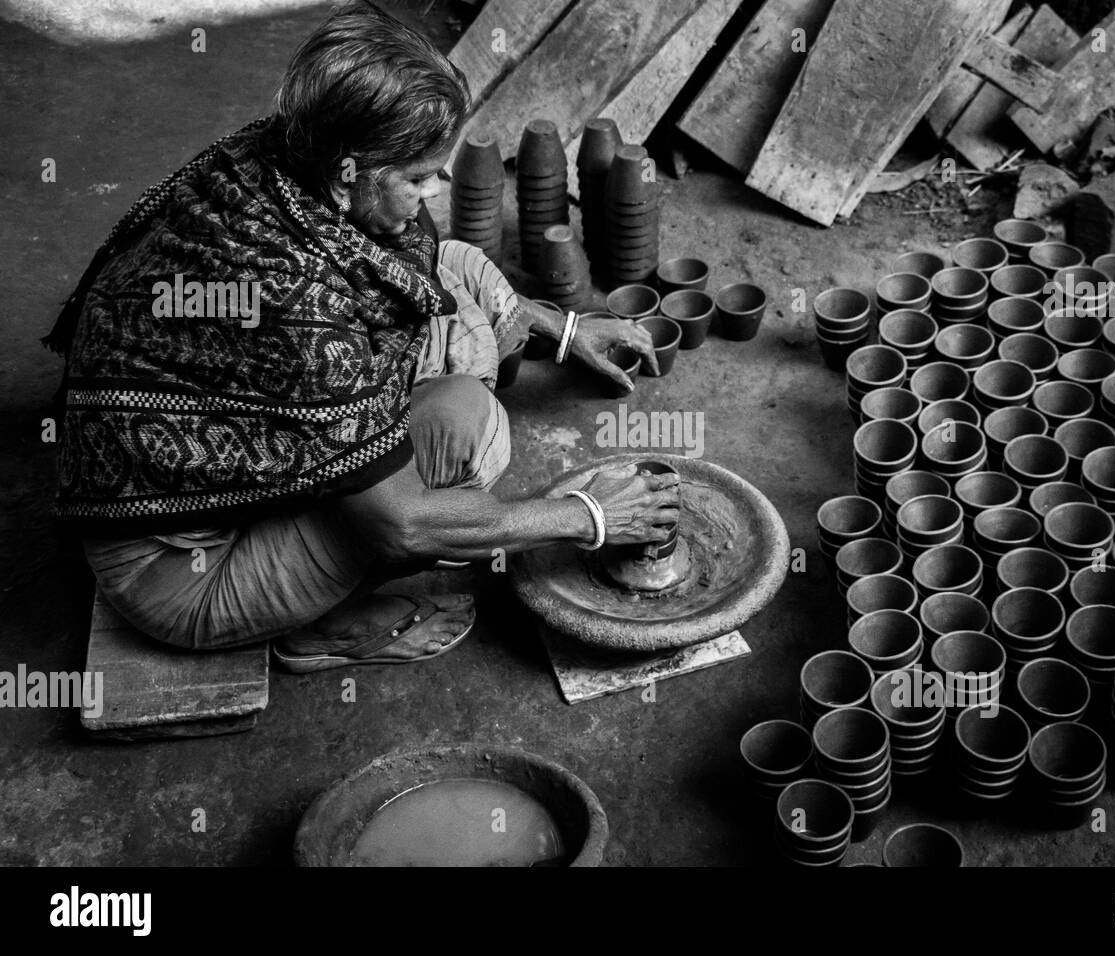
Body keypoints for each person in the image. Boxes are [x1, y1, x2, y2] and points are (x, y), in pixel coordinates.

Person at [42, 2, 678, 672]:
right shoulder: (296, 303)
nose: (436, 192)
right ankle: (320, 627)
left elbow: (423, 267)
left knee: (454, 270)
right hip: (180, 574)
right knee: (469, 425)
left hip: (173, 457)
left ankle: (328, 547)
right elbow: (402, 525)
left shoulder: (279, 153)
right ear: (349, 171)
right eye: (418, 177)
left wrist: (564, 327)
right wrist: (590, 516)